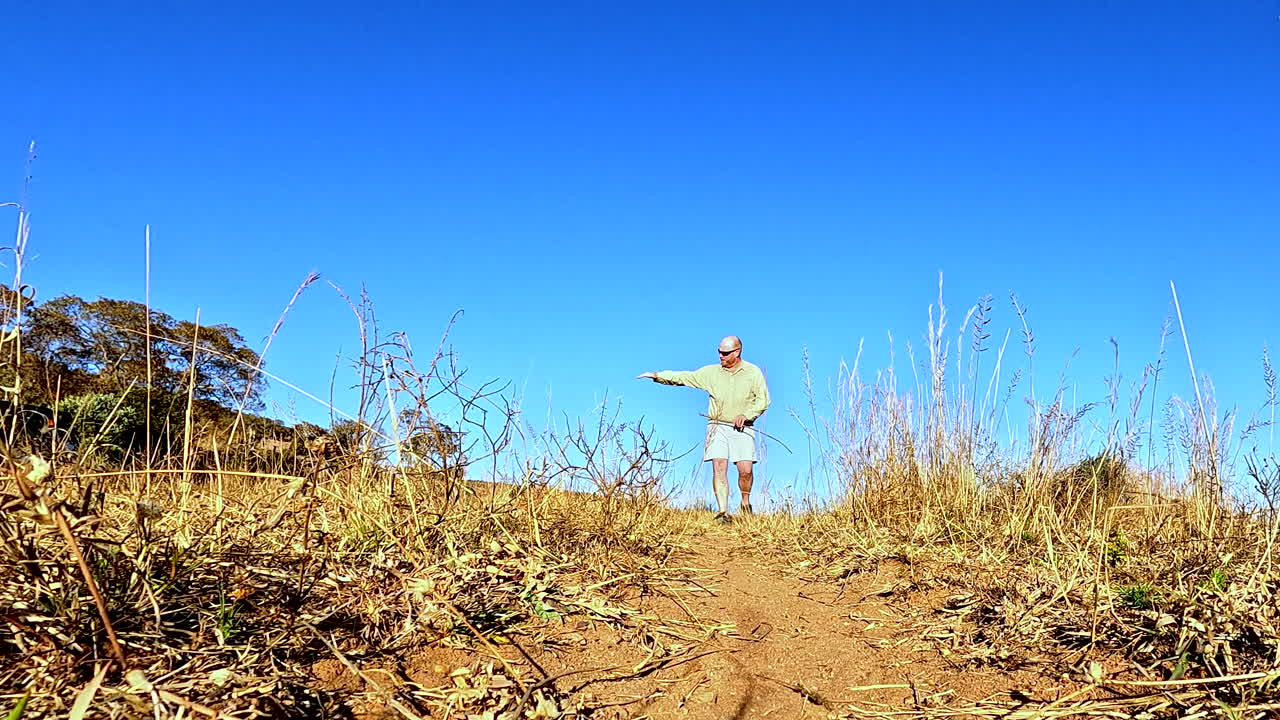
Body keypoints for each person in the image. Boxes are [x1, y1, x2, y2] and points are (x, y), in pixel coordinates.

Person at [637, 335, 770, 523]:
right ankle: (723, 512)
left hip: (743, 427)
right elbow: (685, 377)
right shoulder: (711, 373)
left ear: (737, 352)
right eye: (719, 352)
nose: (721, 357)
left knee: (745, 470)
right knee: (719, 465)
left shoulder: (753, 372)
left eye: (725, 353)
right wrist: (658, 376)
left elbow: (763, 400)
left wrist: (747, 415)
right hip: (717, 425)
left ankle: (745, 503)